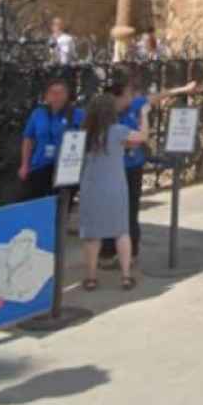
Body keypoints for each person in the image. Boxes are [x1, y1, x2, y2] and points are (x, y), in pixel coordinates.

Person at [100, 73, 198, 266]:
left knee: (131, 211)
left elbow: (160, 96)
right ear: (116, 97)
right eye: (128, 94)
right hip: (113, 169)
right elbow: (126, 141)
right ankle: (108, 252)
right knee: (110, 211)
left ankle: (131, 253)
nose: (132, 97)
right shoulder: (106, 115)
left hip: (132, 168)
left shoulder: (135, 105)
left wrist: (184, 90)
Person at [76, 94, 147, 291]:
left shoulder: (85, 133)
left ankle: (91, 278)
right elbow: (142, 137)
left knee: (92, 235)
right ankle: (125, 276)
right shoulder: (118, 131)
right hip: (115, 186)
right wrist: (144, 116)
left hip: (91, 186)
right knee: (121, 231)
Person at [19, 80, 84, 200]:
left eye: (61, 93)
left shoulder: (78, 114)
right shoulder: (38, 114)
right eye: (53, 93)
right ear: (46, 96)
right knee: (35, 205)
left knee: (60, 208)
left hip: (65, 169)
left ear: (67, 95)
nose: (57, 97)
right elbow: (28, 139)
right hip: (40, 166)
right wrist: (24, 164)